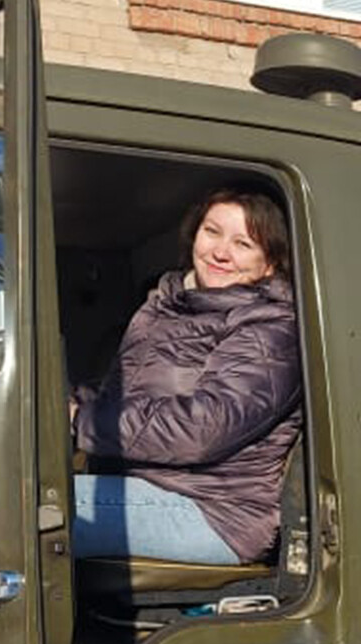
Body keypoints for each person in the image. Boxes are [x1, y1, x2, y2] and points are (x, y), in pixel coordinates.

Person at [70, 186, 303, 565]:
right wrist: (59, 404)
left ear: (270, 263)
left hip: (213, 511)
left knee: (22, 515)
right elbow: (122, 394)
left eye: (243, 243)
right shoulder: (165, 307)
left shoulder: (271, 330)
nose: (220, 252)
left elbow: (205, 428)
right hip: (146, 487)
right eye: (212, 231)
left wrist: (84, 421)